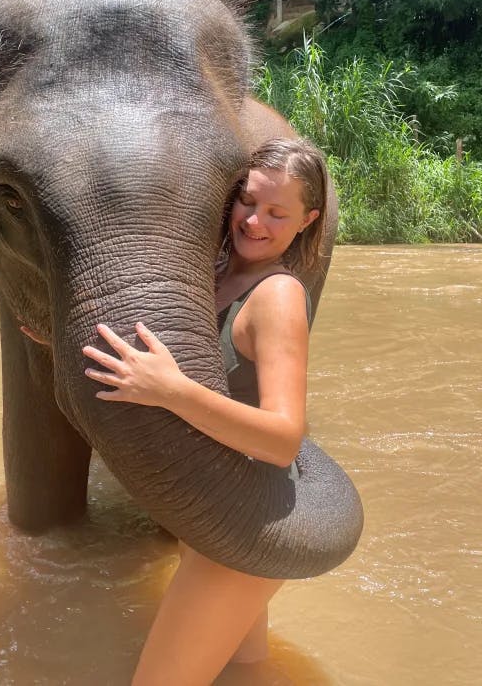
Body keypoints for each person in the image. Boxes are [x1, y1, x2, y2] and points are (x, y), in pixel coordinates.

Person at [82, 137, 328, 685]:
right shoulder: (215, 272)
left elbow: (285, 438)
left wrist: (172, 390)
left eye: (277, 212)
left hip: (251, 517)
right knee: (244, 669)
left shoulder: (278, 296)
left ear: (307, 221)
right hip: (214, 503)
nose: (255, 221)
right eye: (248, 201)